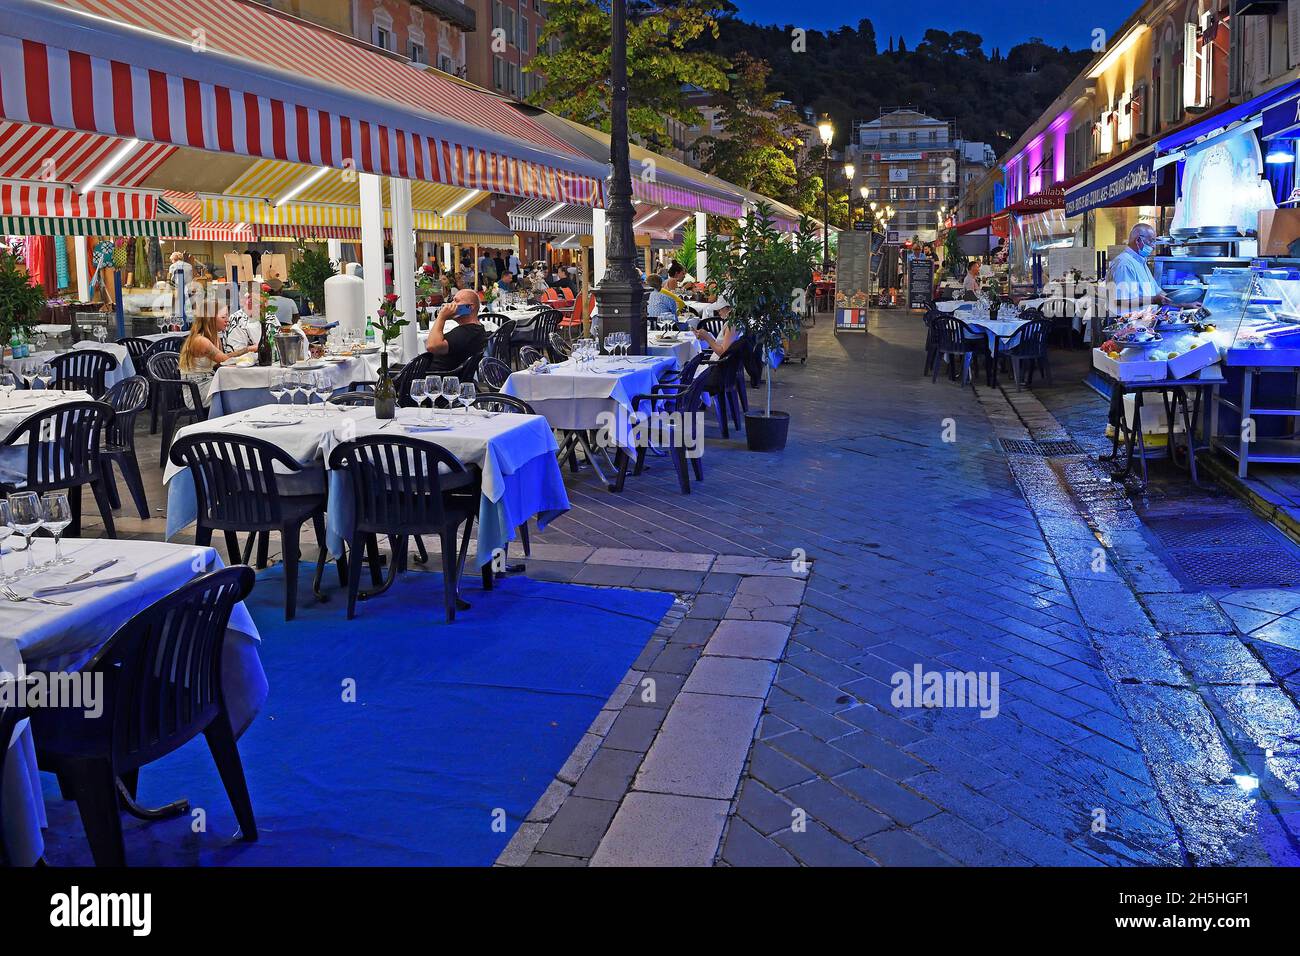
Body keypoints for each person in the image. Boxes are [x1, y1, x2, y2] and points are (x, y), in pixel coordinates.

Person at [179, 307, 256, 409]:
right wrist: (249, 349)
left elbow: (220, 364)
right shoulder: (200, 341)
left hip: (210, 382)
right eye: (223, 317)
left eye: (227, 316)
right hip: (197, 391)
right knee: (241, 390)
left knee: (244, 385)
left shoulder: (214, 337)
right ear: (210, 319)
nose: (227, 320)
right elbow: (224, 360)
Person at [1106, 222, 1170, 314]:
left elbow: (1157, 292)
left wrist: (1182, 303)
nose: (1154, 247)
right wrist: (1153, 299)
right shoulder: (1124, 264)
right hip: (1128, 324)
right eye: (1151, 241)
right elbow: (1121, 301)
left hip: (1143, 322)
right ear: (1138, 240)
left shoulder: (1141, 262)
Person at [426, 288, 489, 374]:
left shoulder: (468, 332)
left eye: (456, 301)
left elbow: (432, 346)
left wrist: (441, 317)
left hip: (438, 380)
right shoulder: (477, 328)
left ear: (470, 307)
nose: (451, 304)